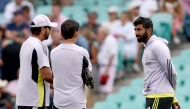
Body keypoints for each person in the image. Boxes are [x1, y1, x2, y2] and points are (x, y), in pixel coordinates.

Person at [133, 17, 180, 109]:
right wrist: (173, 98)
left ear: (149, 30)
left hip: (158, 96)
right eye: (135, 29)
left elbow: (171, 71)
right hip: (155, 96)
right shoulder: (148, 47)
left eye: (139, 29)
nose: (136, 33)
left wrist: (172, 92)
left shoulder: (157, 45)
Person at [16, 14, 57, 109]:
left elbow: (34, 73)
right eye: (49, 28)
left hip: (23, 98)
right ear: (43, 29)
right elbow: (46, 75)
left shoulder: (25, 44)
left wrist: (55, 86)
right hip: (35, 99)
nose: (50, 31)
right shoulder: (41, 46)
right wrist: (63, 84)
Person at [51, 20, 92, 109]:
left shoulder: (53, 52)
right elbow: (88, 73)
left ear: (61, 34)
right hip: (76, 102)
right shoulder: (82, 52)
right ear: (76, 34)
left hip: (59, 102)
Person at [97, 26, 118, 94]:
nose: (98, 35)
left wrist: (107, 68)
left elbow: (112, 54)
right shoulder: (104, 40)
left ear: (104, 33)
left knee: (107, 88)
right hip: (103, 65)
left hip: (108, 66)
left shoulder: (110, 40)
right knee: (103, 88)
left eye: (99, 33)